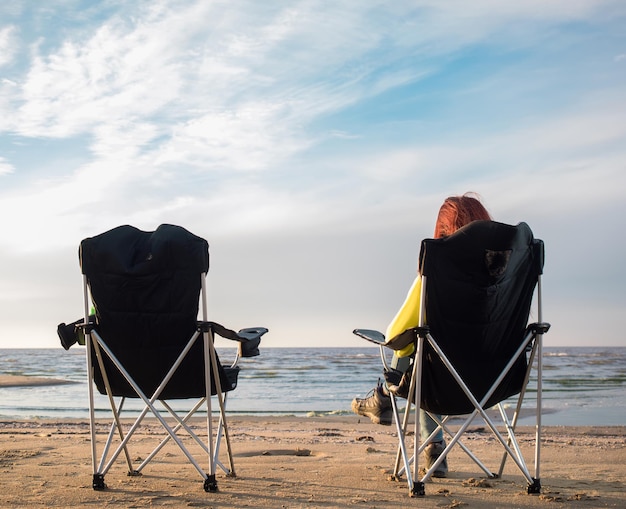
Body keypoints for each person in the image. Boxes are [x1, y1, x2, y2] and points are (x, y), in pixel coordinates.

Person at [351, 192, 492, 478]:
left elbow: (394, 334)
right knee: (429, 350)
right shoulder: (504, 280)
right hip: (491, 382)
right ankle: (431, 449)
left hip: (441, 383)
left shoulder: (434, 275)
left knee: (418, 346)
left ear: (442, 234)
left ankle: (386, 400)